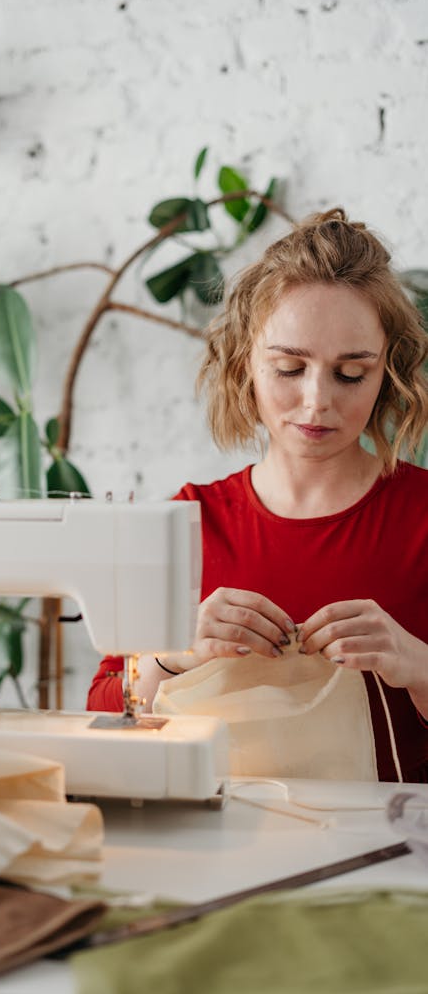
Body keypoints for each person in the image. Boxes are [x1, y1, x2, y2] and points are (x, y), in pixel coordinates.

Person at [86, 208, 428, 782]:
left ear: (388, 373)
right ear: (246, 364)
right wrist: (171, 657)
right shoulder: (185, 523)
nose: (317, 401)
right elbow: (102, 718)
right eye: (289, 368)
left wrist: (416, 664)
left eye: (350, 374)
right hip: (222, 844)